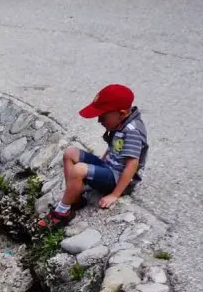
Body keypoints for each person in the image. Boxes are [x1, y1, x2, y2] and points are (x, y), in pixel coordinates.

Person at [40, 84, 148, 228]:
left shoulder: (132, 131)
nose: (99, 121)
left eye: (103, 117)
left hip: (117, 179)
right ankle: (75, 198)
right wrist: (99, 165)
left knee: (79, 170)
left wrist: (115, 195)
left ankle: (62, 211)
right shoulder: (120, 123)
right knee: (70, 153)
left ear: (122, 114)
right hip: (108, 169)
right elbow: (113, 147)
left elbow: (132, 165)